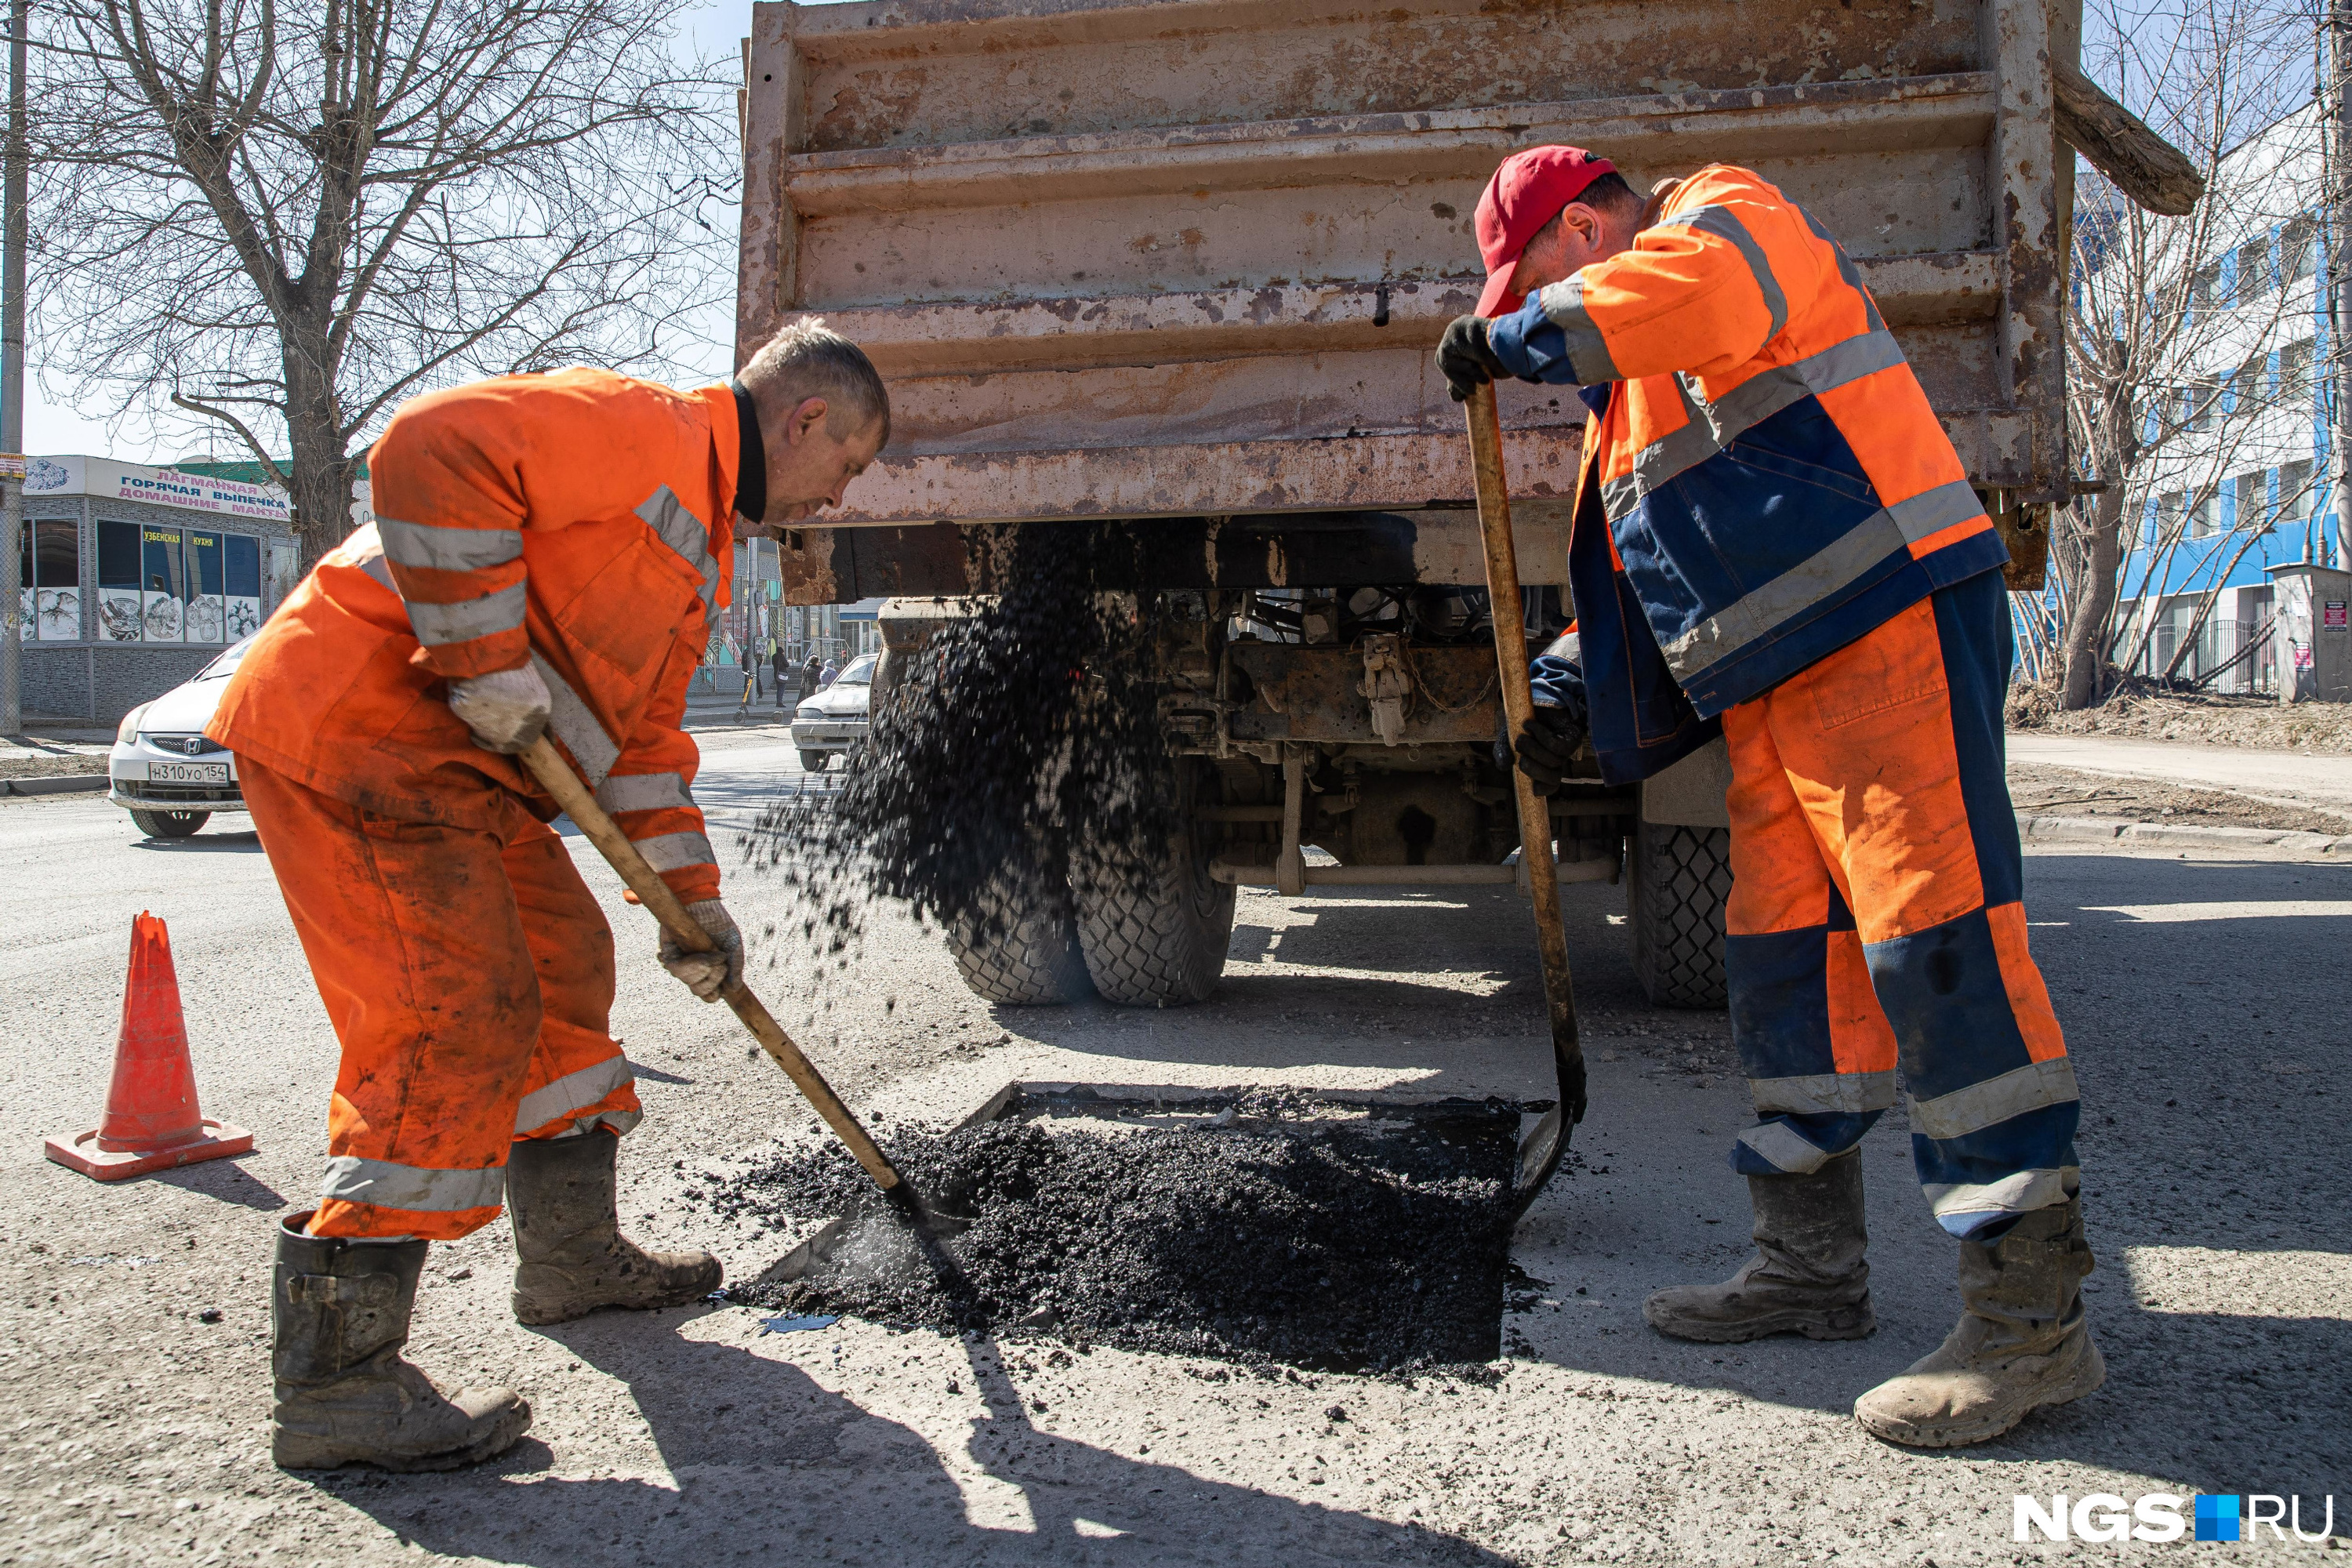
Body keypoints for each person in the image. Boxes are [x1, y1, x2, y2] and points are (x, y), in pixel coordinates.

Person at [1436, 147, 2099, 1449]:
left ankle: (2033, 1327)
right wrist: (1572, 686)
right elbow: (1652, 561)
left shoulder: (1723, 219)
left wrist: (1521, 339)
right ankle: (1810, 1271)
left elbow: (1705, 297)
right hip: (1778, 686)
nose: (1534, 307)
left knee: (1940, 952)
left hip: (1889, 623)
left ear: (1587, 226)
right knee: (1789, 966)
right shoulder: (1629, 391)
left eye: (1539, 276)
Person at [209, 319, 890, 1471]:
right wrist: (483, 662)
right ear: (807, 419)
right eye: (850, 468)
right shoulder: (646, 431)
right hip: (362, 733)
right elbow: (431, 445)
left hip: (464, 775)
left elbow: (638, 753)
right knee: (452, 1021)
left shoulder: (698, 546)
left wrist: (693, 909)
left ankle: (570, 1257)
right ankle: (339, 1382)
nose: (840, 499)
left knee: (568, 965)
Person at [771, 641, 790, 710]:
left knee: (779, 688)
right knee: (781, 688)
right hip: (782, 674)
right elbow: (787, 665)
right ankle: (779, 702)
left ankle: (778, 701)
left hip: (776, 673)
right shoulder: (781, 657)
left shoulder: (774, 656)